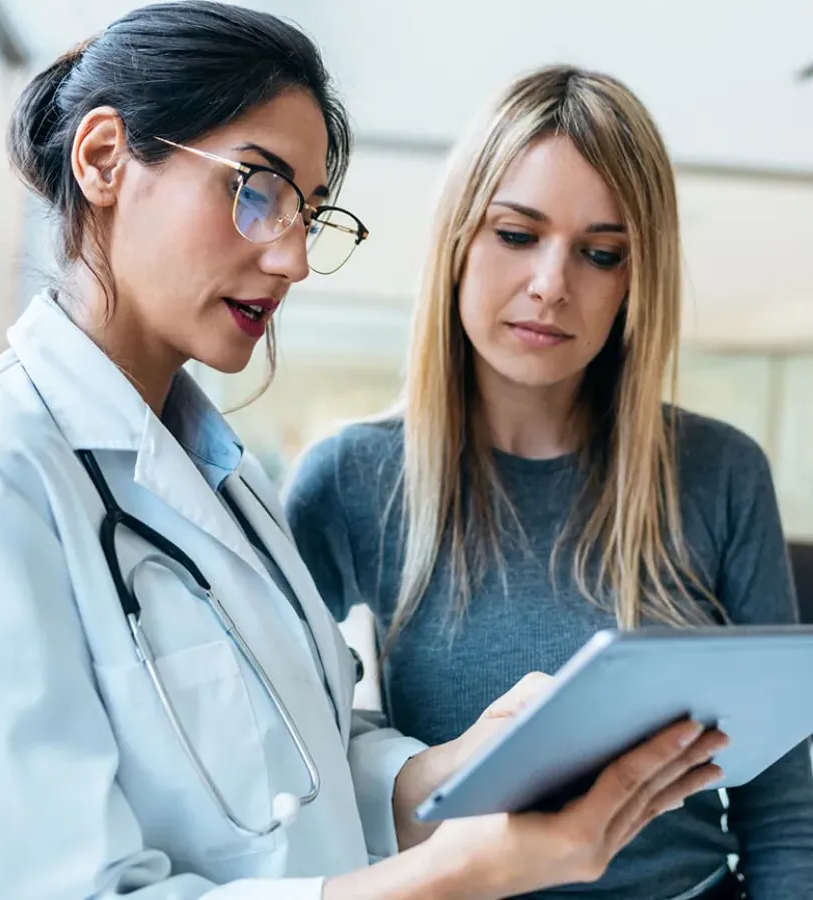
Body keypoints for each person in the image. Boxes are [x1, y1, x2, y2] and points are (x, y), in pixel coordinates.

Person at [0, 7, 729, 899]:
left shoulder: (223, 480)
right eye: (256, 190)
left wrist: (453, 769)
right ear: (105, 159)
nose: (295, 258)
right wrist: (462, 872)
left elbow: (311, 759)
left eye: (305, 212)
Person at [284, 65, 813, 900]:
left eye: (601, 254)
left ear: (635, 283)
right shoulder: (352, 478)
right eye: (517, 234)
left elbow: (783, 812)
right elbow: (289, 758)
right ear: (458, 241)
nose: (551, 285)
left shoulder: (719, 473)